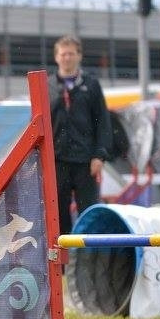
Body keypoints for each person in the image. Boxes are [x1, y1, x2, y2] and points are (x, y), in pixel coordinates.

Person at [48, 35, 114, 235]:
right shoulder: (46, 85)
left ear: (79, 56)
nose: (67, 58)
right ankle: (62, 262)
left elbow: (103, 121)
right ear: (56, 57)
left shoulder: (91, 85)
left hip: (86, 161)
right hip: (57, 161)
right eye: (63, 54)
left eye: (71, 54)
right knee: (57, 214)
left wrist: (99, 155)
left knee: (89, 212)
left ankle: (90, 257)